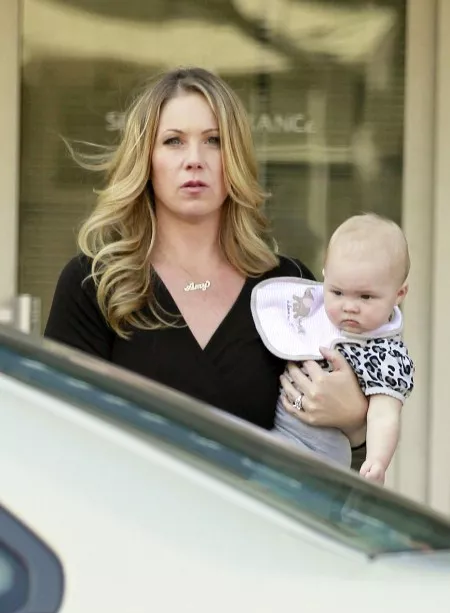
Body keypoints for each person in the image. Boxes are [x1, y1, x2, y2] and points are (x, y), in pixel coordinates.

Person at [44, 66, 367, 459]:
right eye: (174, 141)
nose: (194, 160)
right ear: (146, 159)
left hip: (256, 500)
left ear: (235, 157)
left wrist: (355, 421)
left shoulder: (288, 286)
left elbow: (330, 447)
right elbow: (56, 439)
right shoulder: (94, 285)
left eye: (214, 141)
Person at [251, 214, 414, 484]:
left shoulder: (386, 354)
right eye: (337, 292)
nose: (349, 306)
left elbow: (384, 415)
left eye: (366, 296)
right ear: (325, 279)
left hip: (321, 451)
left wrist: (377, 461)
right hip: (277, 430)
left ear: (399, 294)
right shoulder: (313, 311)